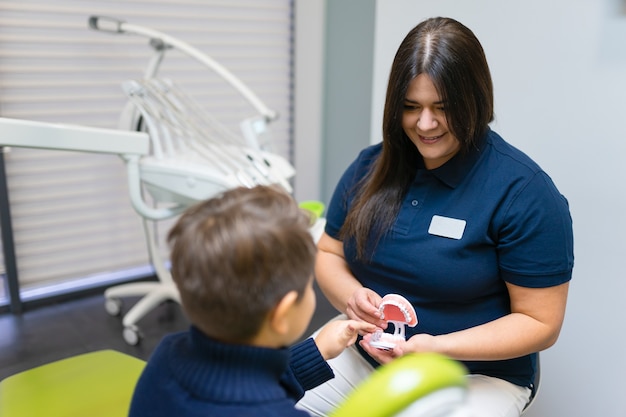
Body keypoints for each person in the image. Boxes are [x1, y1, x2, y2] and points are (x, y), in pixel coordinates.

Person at [297, 16, 574, 417]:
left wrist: (437, 346)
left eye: (442, 109)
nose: (425, 124)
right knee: (276, 404)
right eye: (411, 108)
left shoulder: (524, 192)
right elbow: (329, 253)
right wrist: (350, 299)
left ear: (475, 103)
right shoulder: (369, 168)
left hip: (472, 375)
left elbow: (539, 322)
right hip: (362, 357)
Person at [128, 185, 377, 417]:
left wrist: (318, 351)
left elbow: (241, 384)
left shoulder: (168, 353)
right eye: (307, 287)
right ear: (283, 313)